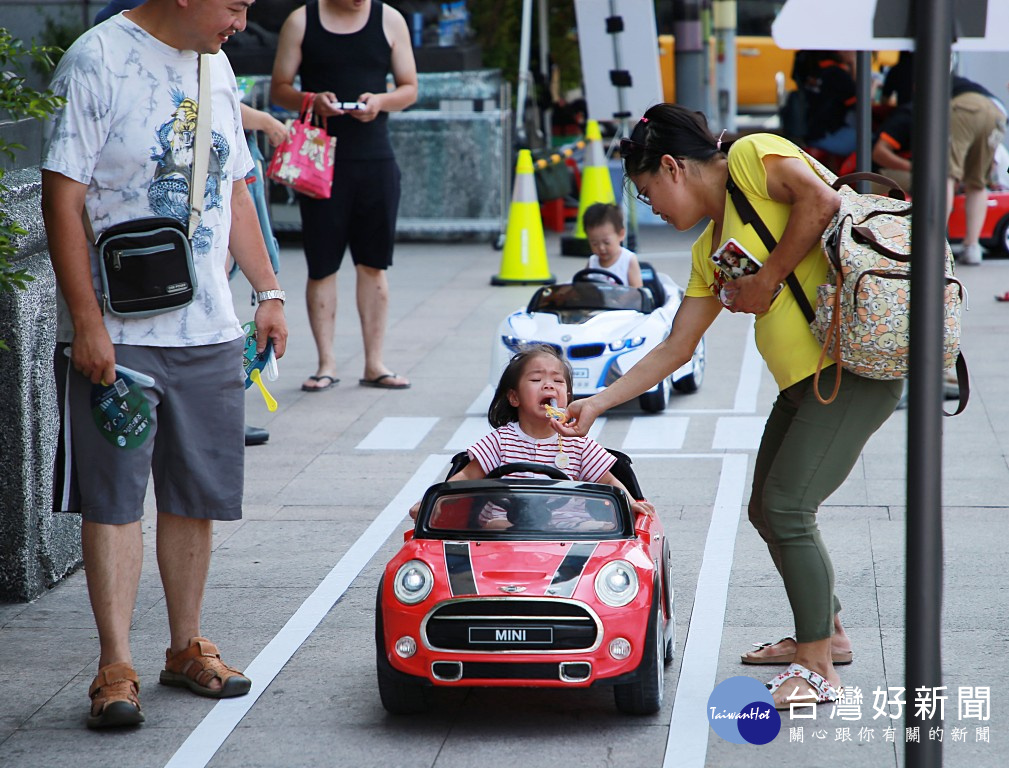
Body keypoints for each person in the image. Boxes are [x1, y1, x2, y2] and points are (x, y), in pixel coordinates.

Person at [553, 104, 902, 709]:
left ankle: (818, 668)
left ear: (673, 166)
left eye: (647, 191)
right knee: (767, 509)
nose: (652, 208)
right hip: (805, 382)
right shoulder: (708, 250)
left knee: (789, 507)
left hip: (849, 371)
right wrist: (599, 402)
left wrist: (767, 277)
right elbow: (677, 347)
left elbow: (822, 202)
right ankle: (831, 633)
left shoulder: (749, 157)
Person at [41, 0, 288, 729]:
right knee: (114, 500)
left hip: (207, 326)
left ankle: (185, 648)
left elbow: (236, 188)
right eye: (234, 5)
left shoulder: (217, 66)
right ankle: (114, 665)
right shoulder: (95, 58)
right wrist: (87, 324)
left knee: (194, 495)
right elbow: (63, 196)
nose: (242, 22)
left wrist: (268, 290)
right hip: (118, 330)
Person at [271, 0, 418, 392]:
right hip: (319, 158)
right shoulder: (302, 20)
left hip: (375, 157)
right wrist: (310, 100)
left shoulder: (389, 19)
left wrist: (380, 102)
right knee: (322, 264)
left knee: (374, 264)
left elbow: (409, 89)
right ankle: (326, 363)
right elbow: (280, 87)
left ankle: (375, 362)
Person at [410, 345, 655, 523]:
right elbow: (466, 476)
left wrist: (633, 503)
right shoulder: (500, 441)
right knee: (495, 526)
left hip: (566, 525)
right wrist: (430, 502)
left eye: (558, 382)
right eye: (536, 379)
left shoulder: (577, 442)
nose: (548, 385)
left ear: (567, 398)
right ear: (514, 397)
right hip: (507, 523)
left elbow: (609, 481)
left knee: (599, 527)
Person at [946, 75, 1007, 266]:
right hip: (997, 112)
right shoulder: (963, 82)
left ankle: (936, 245)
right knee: (978, 182)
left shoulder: (928, 76)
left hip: (965, 108)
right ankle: (972, 247)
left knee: (947, 173)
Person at [799, 50, 857, 158]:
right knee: (870, 141)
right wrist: (854, 63)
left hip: (811, 133)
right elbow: (860, 102)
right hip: (827, 136)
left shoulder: (816, 69)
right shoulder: (837, 73)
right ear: (841, 51)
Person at [582, 203, 643, 287]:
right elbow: (582, 285)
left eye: (606, 242)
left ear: (621, 234)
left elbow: (638, 291)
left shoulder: (628, 260)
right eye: (594, 243)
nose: (601, 248)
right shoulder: (592, 261)